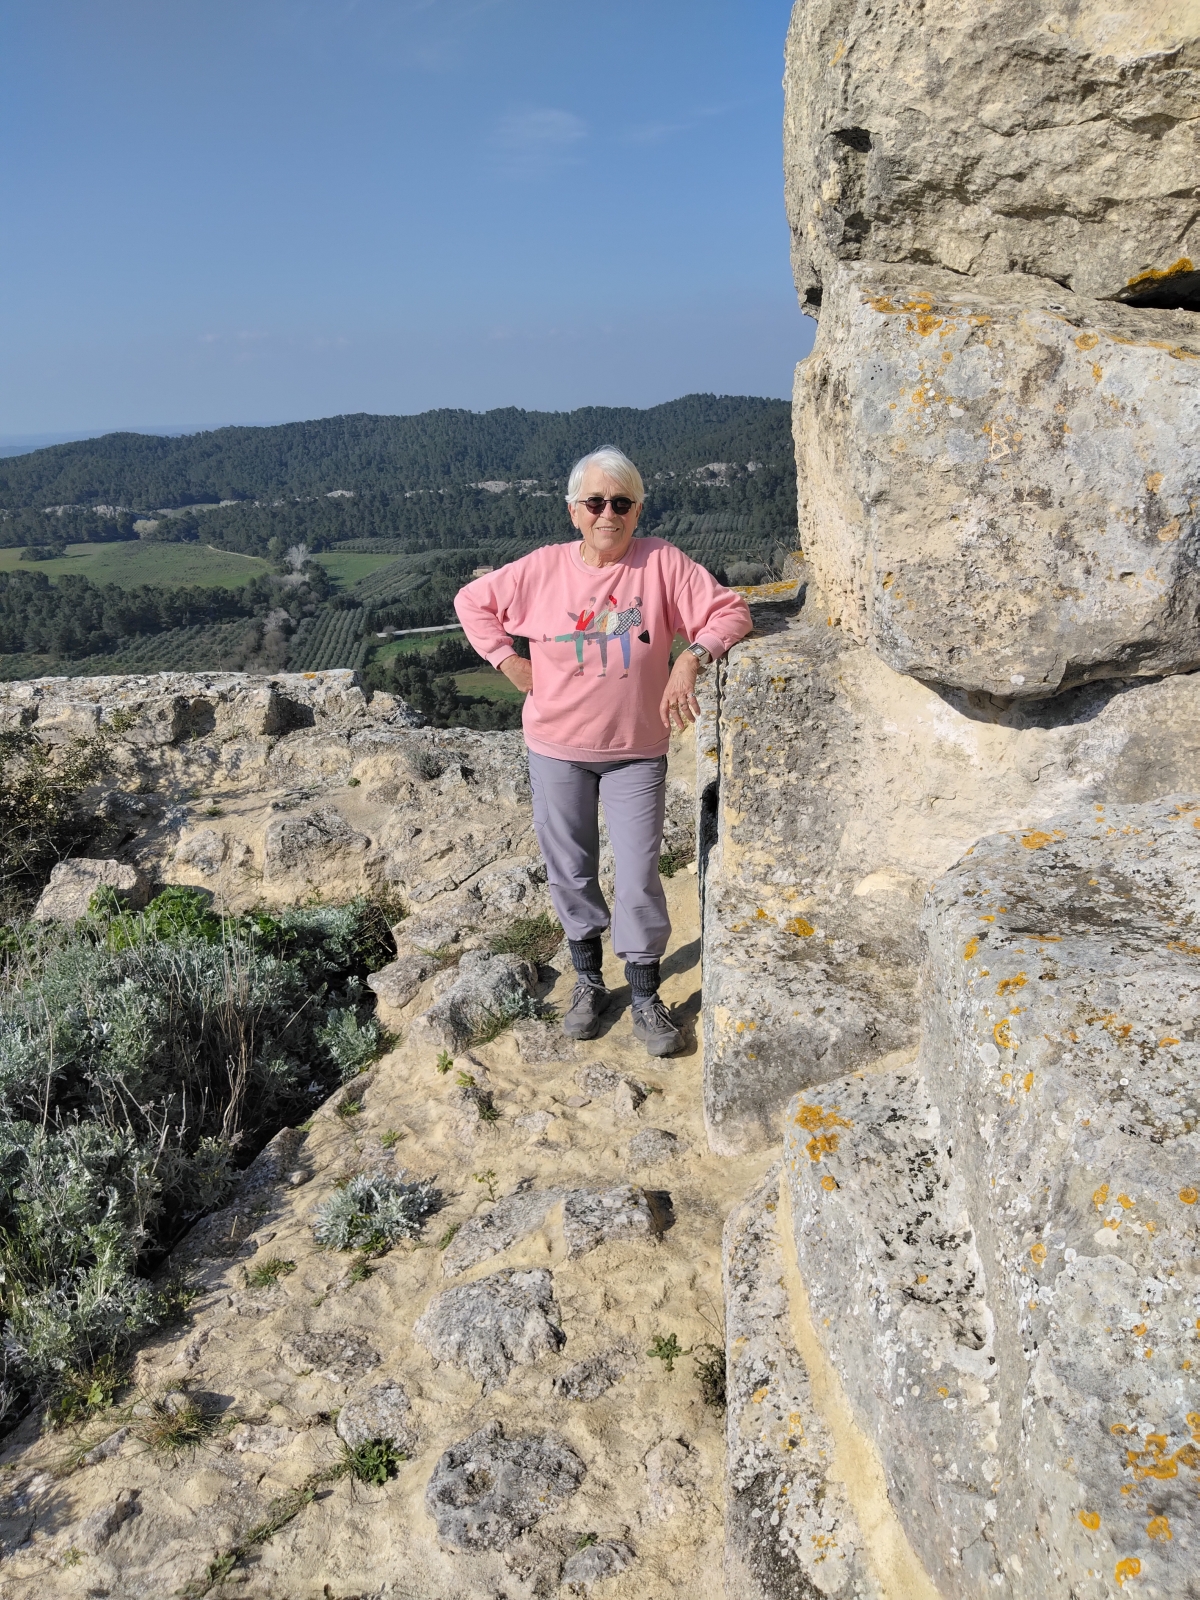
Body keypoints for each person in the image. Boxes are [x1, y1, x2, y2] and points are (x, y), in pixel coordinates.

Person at [454, 446, 752, 1057]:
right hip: (556, 747)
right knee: (570, 867)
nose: (607, 514)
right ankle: (588, 981)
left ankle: (644, 992)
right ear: (574, 511)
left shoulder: (662, 563)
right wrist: (507, 660)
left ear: (638, 510)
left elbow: (730, 611)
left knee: (639, 872)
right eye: (595, 503)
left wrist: (691, 659)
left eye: (621, 503)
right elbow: (472, 601)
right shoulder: (542, 568)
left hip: (636, 750)